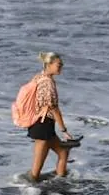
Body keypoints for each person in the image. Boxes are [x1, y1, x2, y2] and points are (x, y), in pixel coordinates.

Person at [12, 52, 79, 183]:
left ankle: (61, 185)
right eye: (58, 65)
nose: (61, 67)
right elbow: (53, 108)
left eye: (62, 65)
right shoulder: (48, 83)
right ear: (49, 64)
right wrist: (64, 131)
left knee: (63, 152)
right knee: (35, 172)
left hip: (42, 124)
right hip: (42, 125)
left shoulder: (38, 77)